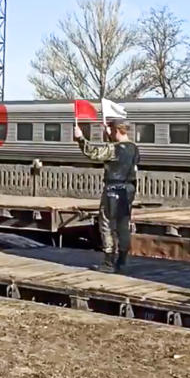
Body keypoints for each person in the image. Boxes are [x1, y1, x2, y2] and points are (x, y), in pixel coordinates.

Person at [74, 115, 139, 272]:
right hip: (128, 190)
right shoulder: (134, 148)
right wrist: (109, 134)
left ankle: (108, 263)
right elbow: (120, 154)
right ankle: (122, 261)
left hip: (112, 190)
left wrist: (80, 138)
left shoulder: (113, 149)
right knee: (123, 225)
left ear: (116, 130)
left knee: (107, 224)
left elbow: (93, 153)